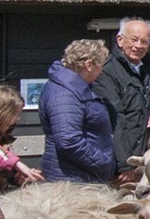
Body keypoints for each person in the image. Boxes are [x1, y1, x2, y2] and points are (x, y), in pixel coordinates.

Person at [94, 17, 150, 178]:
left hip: (147, 156)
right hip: (119, 163)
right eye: (134, 40)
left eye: (144, 41)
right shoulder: (106, 70)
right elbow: (115, 118)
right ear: (120, 40)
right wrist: (126, 164)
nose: (138, 46)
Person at [40, 39, 114, 184]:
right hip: (71, 181)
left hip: (79, 175)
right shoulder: (64, 94)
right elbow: (68, 140)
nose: (101, 71)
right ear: (88, 65)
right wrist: (103, 162)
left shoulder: (75, 88)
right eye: (100, 66)